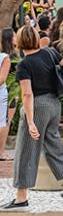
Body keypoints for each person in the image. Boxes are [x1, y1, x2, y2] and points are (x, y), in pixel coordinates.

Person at [2, 26, 63, 211]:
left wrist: (31, 122)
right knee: (53, 148)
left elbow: (27, 95)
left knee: (26, 151)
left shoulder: (24, 64)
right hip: (54, 105)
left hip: (37, 107)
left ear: (19, 41)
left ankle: (21, 198)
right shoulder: (50, 53)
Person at [0, 29, 16, 162]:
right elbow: (3, 78)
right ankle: (1, 151)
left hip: (9, 92)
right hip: (8, 93)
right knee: (5, 122)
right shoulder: (8, 56)